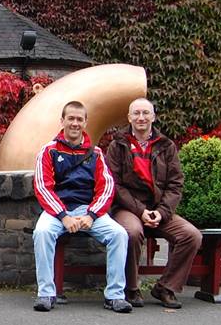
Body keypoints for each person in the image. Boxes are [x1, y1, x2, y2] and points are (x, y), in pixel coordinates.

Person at [32, 101, 132, 313]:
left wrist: (92, 215)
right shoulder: (48, 151)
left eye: (79, 119)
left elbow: (106, 187)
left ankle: (114, 296)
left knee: (119, 235)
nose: (75, 123)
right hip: (57, 211)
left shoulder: (96, 153)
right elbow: (43, 187)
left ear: (85, 122)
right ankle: (46, 294)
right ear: (62, 121)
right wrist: (63, 216)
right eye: (71, 118)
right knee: (41, 232)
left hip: (88, 210)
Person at [106, 98, 202, 309]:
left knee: (191, 235)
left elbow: (175, 184)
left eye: (146, 113)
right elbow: (115, 185)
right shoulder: (117, 145)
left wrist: (161, 212)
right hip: (127, 207)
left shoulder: (167, 146)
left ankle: (166, 287)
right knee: (130, 232)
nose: (141, 118)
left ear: (153, 117)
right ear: (129, 117)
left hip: (159, 208)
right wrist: (141, 211)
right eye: (137, 113)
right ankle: (131, 288)